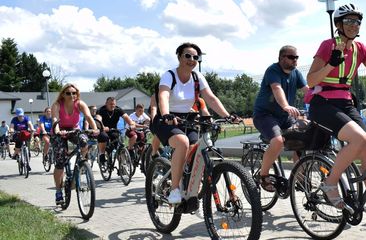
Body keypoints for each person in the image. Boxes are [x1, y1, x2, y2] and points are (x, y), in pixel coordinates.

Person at [306, 3, 366, 225]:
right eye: (349, 21)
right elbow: (311, 80)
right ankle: (330, 184)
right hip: (322, 104)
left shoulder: (361, 49)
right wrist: (331, 63)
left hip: (346, 103)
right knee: (359, 139)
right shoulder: (327, 45)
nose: (354, 25)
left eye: (357, 21)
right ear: (338, 24)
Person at [156, 42, 238, 204]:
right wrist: (166, 114)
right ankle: (174, 189)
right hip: (167, 119)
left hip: (188, 118)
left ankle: (186, 179)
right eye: (187, 55)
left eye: (195, 57)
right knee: (182, 142)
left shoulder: (197, 77)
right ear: (179, 57)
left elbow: (211, 98)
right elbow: (163, 96)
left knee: (197, 149)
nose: (192, 59)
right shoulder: (169, 75)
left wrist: (228, 116)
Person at [253, 45, 309, 191]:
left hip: (285, 117)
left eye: (296, 57)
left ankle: (300, 178)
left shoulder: (296, 73)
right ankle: (263, 175)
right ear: (281, 58)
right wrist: (285, 106)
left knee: (303, 138)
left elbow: (307, 90)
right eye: (291, 57)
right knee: (278, 141)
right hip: (265, 115)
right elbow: (277, 88)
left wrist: (322, 100)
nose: (295, 60)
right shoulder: (273, 70)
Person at [51, 83, 99, 205]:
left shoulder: (80, 104)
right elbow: (55, 119)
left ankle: (81, 165)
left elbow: (88, 116)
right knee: (60, 160)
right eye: (68, 93)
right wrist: (57, 130)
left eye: (74, 93)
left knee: (84, 141)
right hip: (60, 131)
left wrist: (95, 128)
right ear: (63, 94)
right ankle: (58, 191)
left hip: (73, 129)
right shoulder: (57, 105)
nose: (72, 95)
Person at [95, 97, 136, 163]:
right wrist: (103, 127)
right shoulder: (101, 110)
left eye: (114, 104)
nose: (112, 105)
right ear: (106, 104)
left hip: (113, 130)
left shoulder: (118, 109)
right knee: (103, 137)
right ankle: (102, 154)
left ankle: (122, 164)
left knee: (117, 143)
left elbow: (126, 117)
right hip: (103, 129)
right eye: (110, 104)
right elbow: (98, 120)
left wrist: (131, 124)